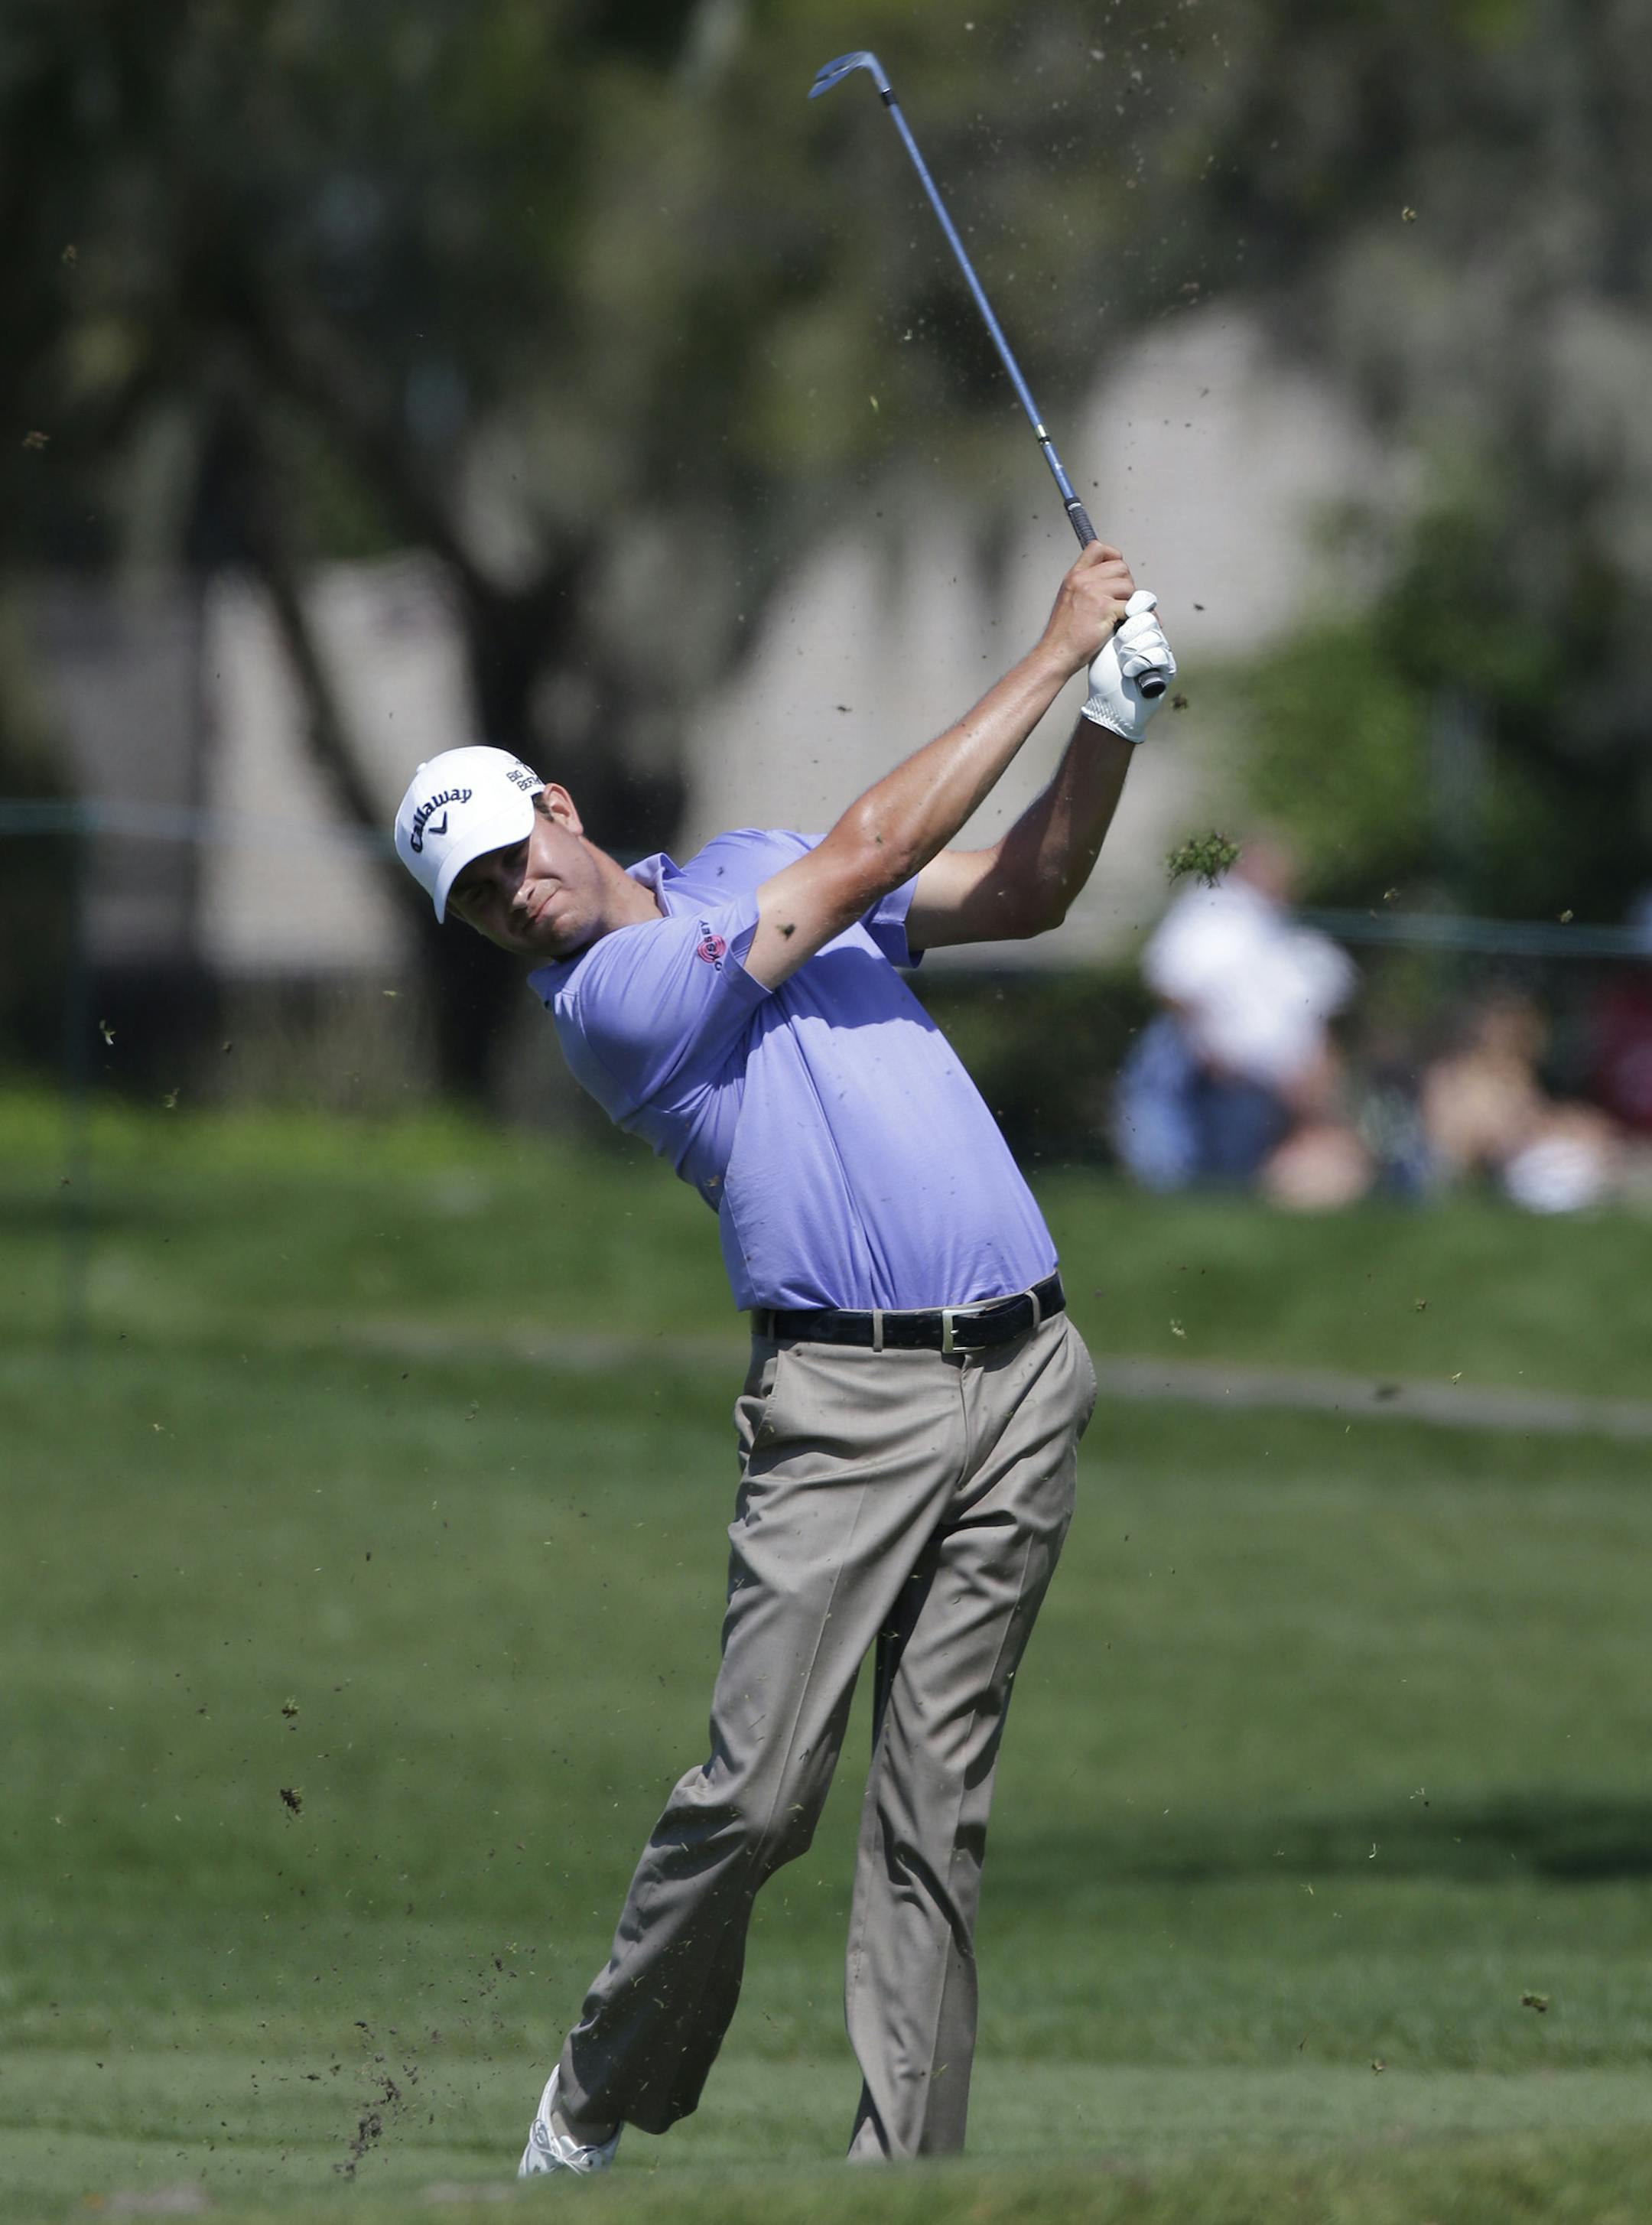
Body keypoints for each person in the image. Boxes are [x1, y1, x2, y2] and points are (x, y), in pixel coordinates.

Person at [392, 543, 1175, 2174]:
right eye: (472, 901)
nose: (509, 898)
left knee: (934, 1817)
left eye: (501, 856)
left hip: (1027, 1369)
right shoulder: (609, 1001)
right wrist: (1050, 652)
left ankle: (904, 2177)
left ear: (553, 802)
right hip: (846, 1405)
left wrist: (1111, 716)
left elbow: (1024, 887)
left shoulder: (748, 858)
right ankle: (596, 2093)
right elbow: (875, 846)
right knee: (759, 1796)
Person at [1114, 833, 1364, 1199]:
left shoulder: (1272, 928)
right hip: (1214, 1071)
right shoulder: (1214, 910)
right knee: (1197, 1176)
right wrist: (1211, 1047)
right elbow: (1171, 982)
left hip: (1262, 1081)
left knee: (1238, 1177)